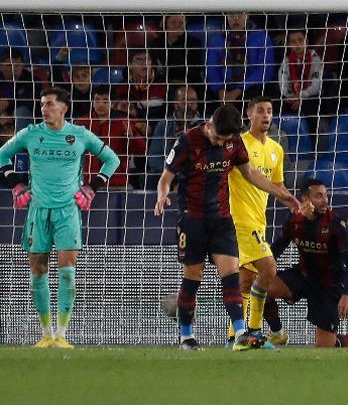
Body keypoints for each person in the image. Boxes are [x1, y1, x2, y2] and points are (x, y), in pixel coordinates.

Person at [153, 104, 301, 350]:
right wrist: (161, 195)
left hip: (222, 219)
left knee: (232, 276)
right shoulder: (187, 141)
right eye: (218, 139)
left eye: (226, 140)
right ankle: (186, 336)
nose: (222, 144)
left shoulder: (234, 143)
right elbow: (165, 178)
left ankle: (240, 333)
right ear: (209, 124)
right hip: (193, 220)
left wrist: (282, 195)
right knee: (193, 276)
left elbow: (251, 174)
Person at [0, 87, 119, 348]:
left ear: (64, 108)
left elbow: (112, 160)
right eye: (43, 104)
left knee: (67, 272)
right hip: (38, 210)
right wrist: (16, 185)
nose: (44, 109)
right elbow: (1, 155)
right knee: (38, 271)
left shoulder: (79, 135)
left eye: (50, 104)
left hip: (68, 212)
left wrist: (92, 188)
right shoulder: (31, 134)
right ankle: (46, 335)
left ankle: (62, 335)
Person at [263, 178, 348, 348]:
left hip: (328, 286)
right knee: (261, 288)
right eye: (319, 196)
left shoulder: (336, 224)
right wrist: (264, 267)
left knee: (326, 347)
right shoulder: (294, 220)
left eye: (326, 195)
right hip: (303, 276)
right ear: (305, 199)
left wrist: (347, 294)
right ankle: (277, 333)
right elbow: (278, 247)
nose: (325, 200)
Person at [227, 97, 288, 348]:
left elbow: (278, 185)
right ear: (249, 114)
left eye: (270, 111)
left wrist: (294, 203)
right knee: (269, 269)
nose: (266, 115)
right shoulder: (239, 144)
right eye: (260, 110)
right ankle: (253, 330)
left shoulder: (276, 149)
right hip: (239, 219)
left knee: (244, 282)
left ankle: (235, 337)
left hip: (258, 222)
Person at [77, 87, 146, 189]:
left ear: (112, 103)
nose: (100, 104)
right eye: (97, 100)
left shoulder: (123, 122)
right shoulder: (82, 123)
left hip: (117, 183)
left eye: (105, 100)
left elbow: (141, 150)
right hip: (88, 183)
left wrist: (132, 137)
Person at [145, 84, 203, 178]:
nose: (189, 104)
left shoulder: (205, 125)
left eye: (193, 101)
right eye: (184, 101)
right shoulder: (164, 125)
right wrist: (173, 169)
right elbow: (153, 158)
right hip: (168, 173)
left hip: (196, 173)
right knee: (148, 177)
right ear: (175, 104)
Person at [277, 29, 324, 133]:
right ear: (288, 44)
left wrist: (301, 96)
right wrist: (292, 97)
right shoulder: (286, 61)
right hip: (291, 99)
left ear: (306, 42)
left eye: (300, 40)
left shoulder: (315, 59)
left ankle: (312, 145)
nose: (297, 44)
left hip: (309, 97)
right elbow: (283, 85)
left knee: (311, 108)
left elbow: (317, 85)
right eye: (293, 41)